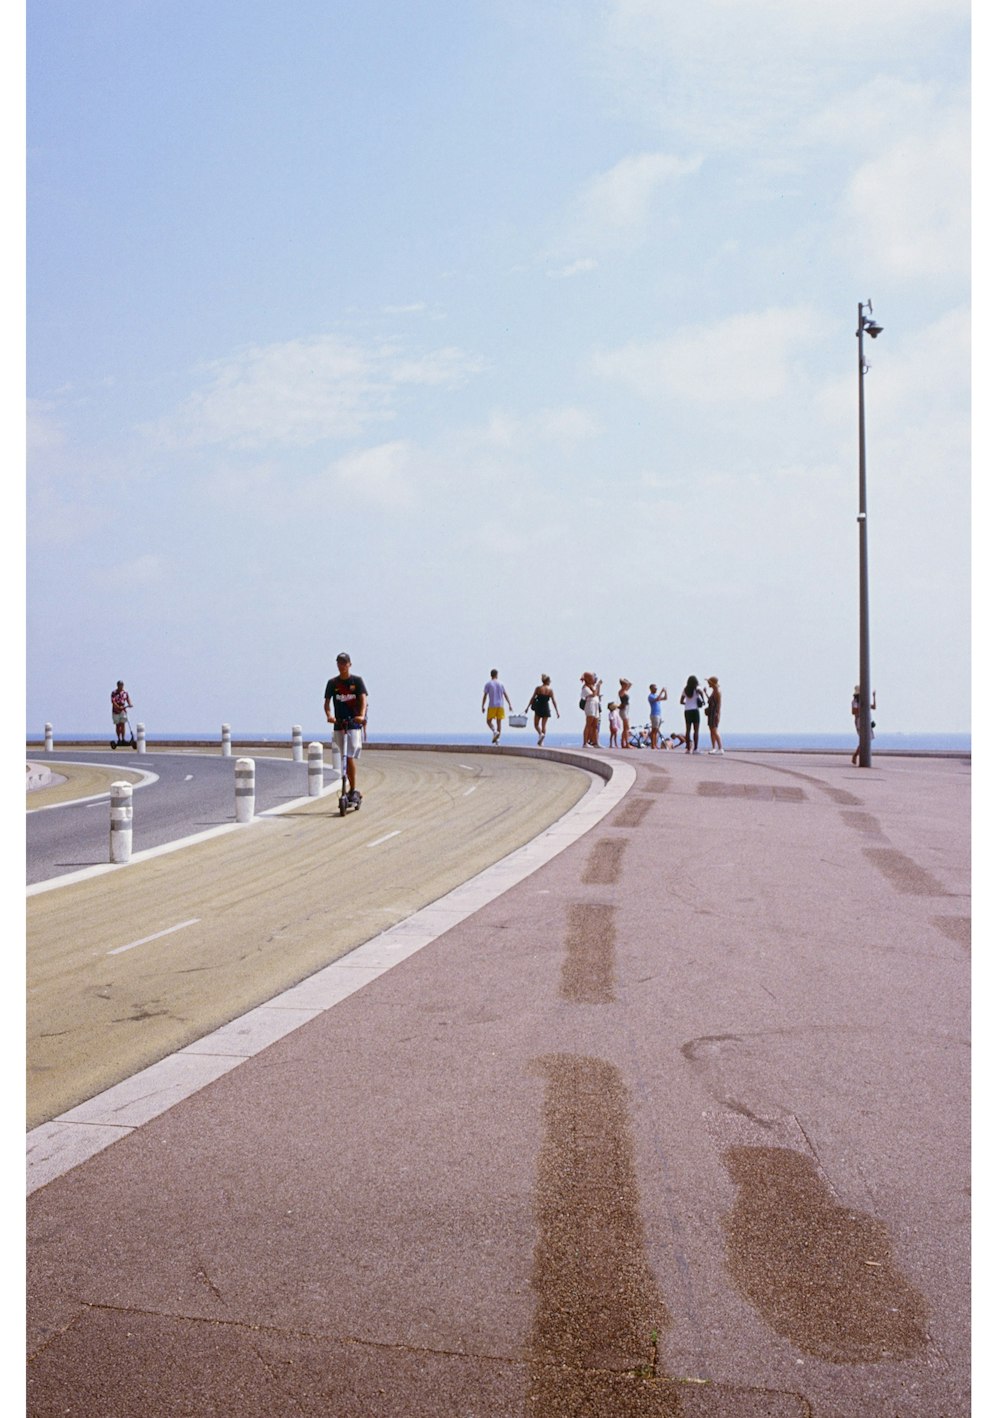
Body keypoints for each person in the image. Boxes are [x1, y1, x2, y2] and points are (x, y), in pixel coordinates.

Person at [324, 653, 368, 804]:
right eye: (339, 663)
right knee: (344, 757)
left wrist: (361, 715)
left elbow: (363, 698)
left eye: (344, 663)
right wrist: (329, 715)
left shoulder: (357, 681)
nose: (341, 666)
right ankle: (348, 789)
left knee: (349, 756)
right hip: (339, 724)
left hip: (353, 724)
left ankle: (353, 788)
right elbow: (327, 703)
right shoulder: (332, 683)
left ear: (349, 664)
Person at [526, 674, 560, 746]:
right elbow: (553, 701)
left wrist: (527, 707)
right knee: (544, 725)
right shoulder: (550, 690)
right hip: (546, 707)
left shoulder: (538, 688)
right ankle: (542, 741)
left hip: (538, 707)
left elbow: (532, 698)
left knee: (536, 724)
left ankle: (540, 734)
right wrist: (557, 711)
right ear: (547, 681)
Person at [482, 669, 513, 743]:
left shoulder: (488, 684)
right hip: (500, 705)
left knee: (488, 721)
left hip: (492, 705)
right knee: (499, 723)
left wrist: (483, 705)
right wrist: (509, 704)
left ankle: (494, 731)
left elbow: (485, 696)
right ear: (496, 675)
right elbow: (505, 694)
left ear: (491, 675)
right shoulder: (501, 683)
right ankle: (498, 739)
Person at [851, 685, 877, 766]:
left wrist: (874, 697)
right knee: (863, 739)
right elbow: (853, 712)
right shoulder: (855, 702)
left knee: (867, 739)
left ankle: (857, 754)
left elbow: (874, 707)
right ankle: (856, 755)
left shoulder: (864, 701)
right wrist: (863, 707)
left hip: (867, 721)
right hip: (859, 721)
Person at [680, 675, 706, 753]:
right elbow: (701, 693)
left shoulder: (685, 690)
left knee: (688, 730)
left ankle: (688, 748)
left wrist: (687, 703)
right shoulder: (697, 689)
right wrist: (702, 700)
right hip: (695, 710)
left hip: (687, 710)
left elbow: (681, 701)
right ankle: (695, 749)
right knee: (696, 730)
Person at [580, 672, 602, 747]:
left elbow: (597, 694)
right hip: (590, 705)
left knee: (595, 725)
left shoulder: (592, 687)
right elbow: (593, 694)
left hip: (595, 704)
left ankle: (596, 742)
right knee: (589, 723)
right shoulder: (585, 688)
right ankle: (585, 742)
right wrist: (596, 686)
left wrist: (598, 687)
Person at [110, 680, 133, 747]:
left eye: (122, 685)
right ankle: (119, 739)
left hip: (123, 710)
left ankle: (123, 739)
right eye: (120, 685)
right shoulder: (114, 693)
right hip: (116, 711)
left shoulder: (125, 693)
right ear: (117, 685)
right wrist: (118, 707)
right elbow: (113, 702)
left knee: (123, 724)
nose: (121, 686)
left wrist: (130, 704)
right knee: (118, 725)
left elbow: (128, 699)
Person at [706, 676, 724, 754]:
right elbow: (710, 701)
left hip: (714, 713)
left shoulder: (717, 692)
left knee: (714, 730)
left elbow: (719, 704)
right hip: (711, 712)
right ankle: (714, 747)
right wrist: (705, 693)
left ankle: (720, 747)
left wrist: (718, 714)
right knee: (711, 730)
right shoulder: (714, 691)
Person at [647, 684, 668, 748]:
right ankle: (653, 745)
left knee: (656, 731)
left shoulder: (656, 695)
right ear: (651, 689)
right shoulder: (650, 696)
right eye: (654, 688)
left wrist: (665, 692)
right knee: (654, 731)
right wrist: (661, 692)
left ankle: (654, 744)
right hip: (654, 714)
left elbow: (665, 698)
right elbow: (657, 699)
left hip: (658, 714)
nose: (656, 689)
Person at [618, 679, 633, 748]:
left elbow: (630, 684)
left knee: (626, 728)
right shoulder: (621, 691)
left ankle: (623, 743)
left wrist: (625, 680)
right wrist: (622, 681)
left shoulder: (625, 691)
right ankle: (626, 743)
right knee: (626, 727)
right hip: (623, 710)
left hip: (626, 709)